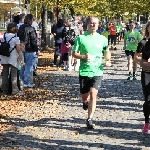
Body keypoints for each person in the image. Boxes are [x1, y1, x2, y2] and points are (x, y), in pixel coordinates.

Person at [72, 16, 111, 129]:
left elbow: (107, 51)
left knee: (94, 93)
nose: (93, 25)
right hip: (84, 71)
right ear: (88, 24)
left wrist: (108, 60)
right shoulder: (81, 38)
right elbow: (74, 54)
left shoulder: (102, 39)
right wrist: (84, 56)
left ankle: (90, 119)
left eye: (96, 23)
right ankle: (85, 102)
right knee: (85, 96)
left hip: (97, 71)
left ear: (98, 25)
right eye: (91, 23)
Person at [0, 22, 24, 95]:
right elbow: (18, 50)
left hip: (4, 56)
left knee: (5, 74)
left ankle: (4, 90)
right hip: (13, 57)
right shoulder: (16, 38)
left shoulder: (4, 36)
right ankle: (14, 90)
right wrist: (22, 59)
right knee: (14, 74)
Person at [17, 14, 38, 88]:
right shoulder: (31, 29)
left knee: (22, 65)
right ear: (30, 20)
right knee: (28, 66)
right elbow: (33, 40)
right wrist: (36, 49)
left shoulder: (21, 27)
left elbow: (18, 38)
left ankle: (21, 81)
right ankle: (26, 82)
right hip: (30, 49)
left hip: (22, 48)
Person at [140, 21, 150, 134]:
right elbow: (142, 62)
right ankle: (147, 123)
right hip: (147, 74)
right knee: (148, 100)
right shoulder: (147, 43)